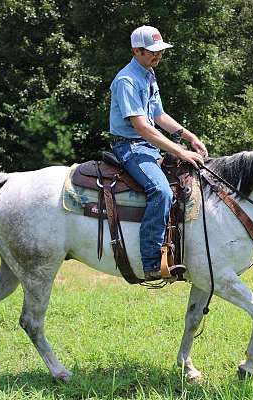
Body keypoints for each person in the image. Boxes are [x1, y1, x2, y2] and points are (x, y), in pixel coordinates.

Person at [109, 25, 208, 281]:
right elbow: (142, 127)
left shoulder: (148, 74)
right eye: (152, 52)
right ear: (136, 51)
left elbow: (159, 116)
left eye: (160, 52)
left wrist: (190, 137)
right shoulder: (126, 80)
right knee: (161, 191)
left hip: (148, 145)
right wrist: (179, 151)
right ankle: (151, 261)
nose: (158, 56)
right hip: (130, 146)